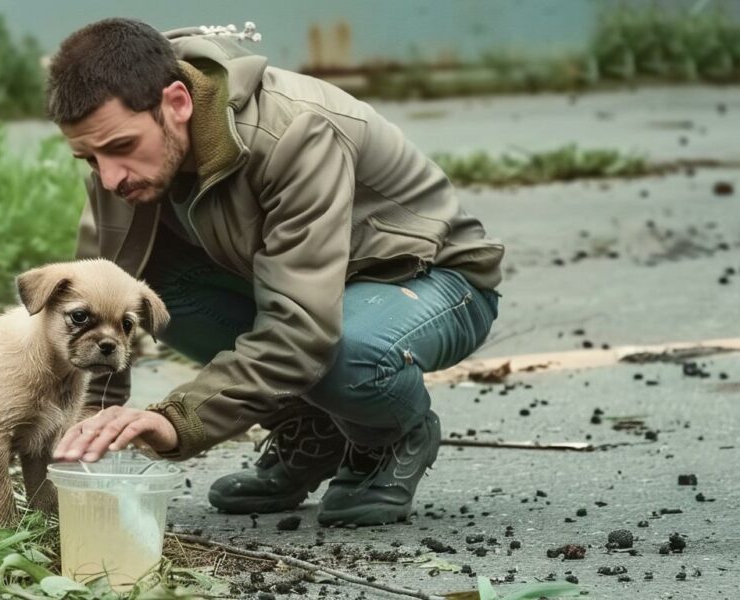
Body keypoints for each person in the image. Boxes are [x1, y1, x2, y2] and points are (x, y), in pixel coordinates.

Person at [47, 18, 503, 526]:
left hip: (431, 280)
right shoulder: (122, 169)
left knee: (345, 354)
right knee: (149, 294)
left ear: (177, 103)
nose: (108, 177)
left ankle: (392, 435)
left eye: (121, 147)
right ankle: (313, 425)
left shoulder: (294, 132)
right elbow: (97, 297)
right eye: (89, 158)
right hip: (308, 289)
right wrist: (86, 428)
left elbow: (301, 330)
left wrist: (175, 422)